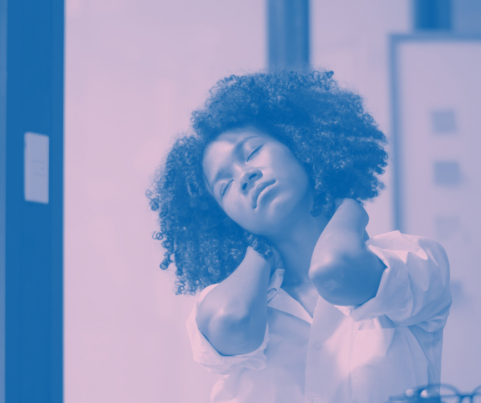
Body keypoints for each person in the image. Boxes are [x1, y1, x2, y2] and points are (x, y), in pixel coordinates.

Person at [147, 70, 452, 403]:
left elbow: (335, 269)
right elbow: (232, 321)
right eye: (225, 185)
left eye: (251, 153)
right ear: (223, 216)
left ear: (301, 145)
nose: (245, 176)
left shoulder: (413, 260)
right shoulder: (224, 300)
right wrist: (259, 251)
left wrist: (347, 204)